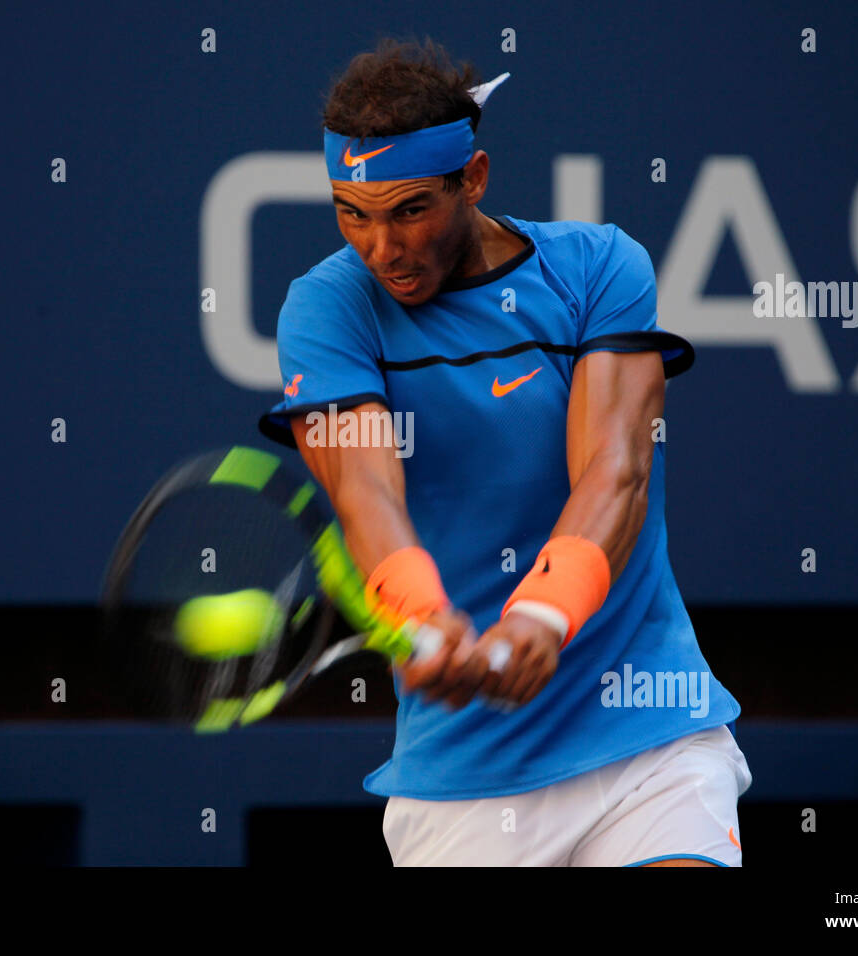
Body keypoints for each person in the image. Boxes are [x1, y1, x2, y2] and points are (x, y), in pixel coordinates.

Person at [259, 37, 751, 866]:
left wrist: (543, 614)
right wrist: (422, 614)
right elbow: (363, 491)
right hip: (464, 780)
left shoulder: (598, 268)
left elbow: (617, 469)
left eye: (410, 209)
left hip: (649, 735)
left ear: (473, 178)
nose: (381, 247)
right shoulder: (324, 307)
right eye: (353, 212)